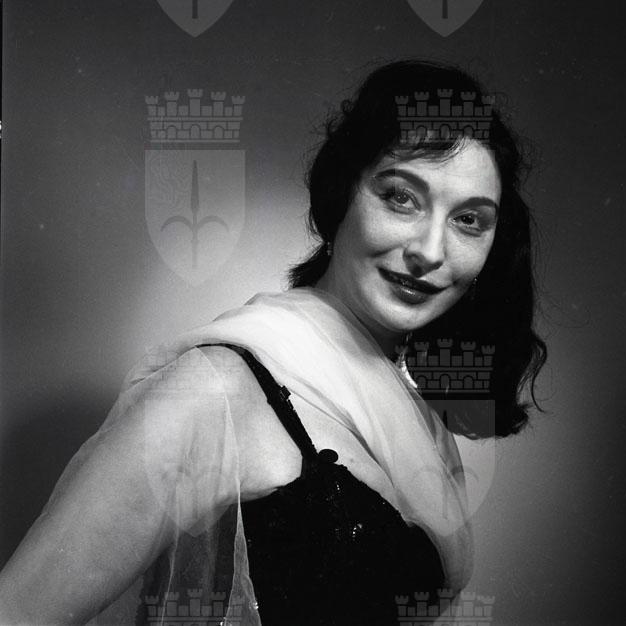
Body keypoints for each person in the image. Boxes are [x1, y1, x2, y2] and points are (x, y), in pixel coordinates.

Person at [0, 59, 546, 625]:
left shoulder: (414, 411)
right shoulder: (214, 390)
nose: (430, 251)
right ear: (342, 194)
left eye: (469, 221)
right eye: (401, 198)